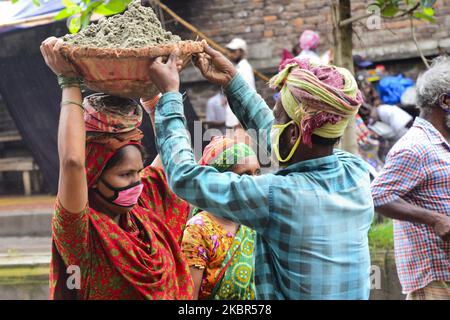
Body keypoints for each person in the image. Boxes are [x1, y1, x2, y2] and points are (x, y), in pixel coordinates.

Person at [147, 47, 374, 299]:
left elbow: (184, 177)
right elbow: (281, 140)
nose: (272, 123)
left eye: (277, 117)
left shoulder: (278, 196)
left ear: (293, 134)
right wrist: (233, 83)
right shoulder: (357, 171)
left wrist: (169, 96)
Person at [40, 37, 194, 300]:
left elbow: (175, 158)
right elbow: (73, 163)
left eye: (138, 171)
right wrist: (68, 82)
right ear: (94, 175)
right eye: (125, 175)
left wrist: (155, 93)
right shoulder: (82, 232)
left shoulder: (144, 210)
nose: (137, 183)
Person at [371, 56, 450, 300]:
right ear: (446, 101)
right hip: (436, 278)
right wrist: (435, 219)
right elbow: (376, 195)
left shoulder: (442, 143)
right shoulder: (415, 147)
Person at [181, 136, 260, 300]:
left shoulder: (255, 221)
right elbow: (189, 297)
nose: (254, 182)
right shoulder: (198, 230)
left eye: (257, 173)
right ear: (219, 181)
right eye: (244, 175)